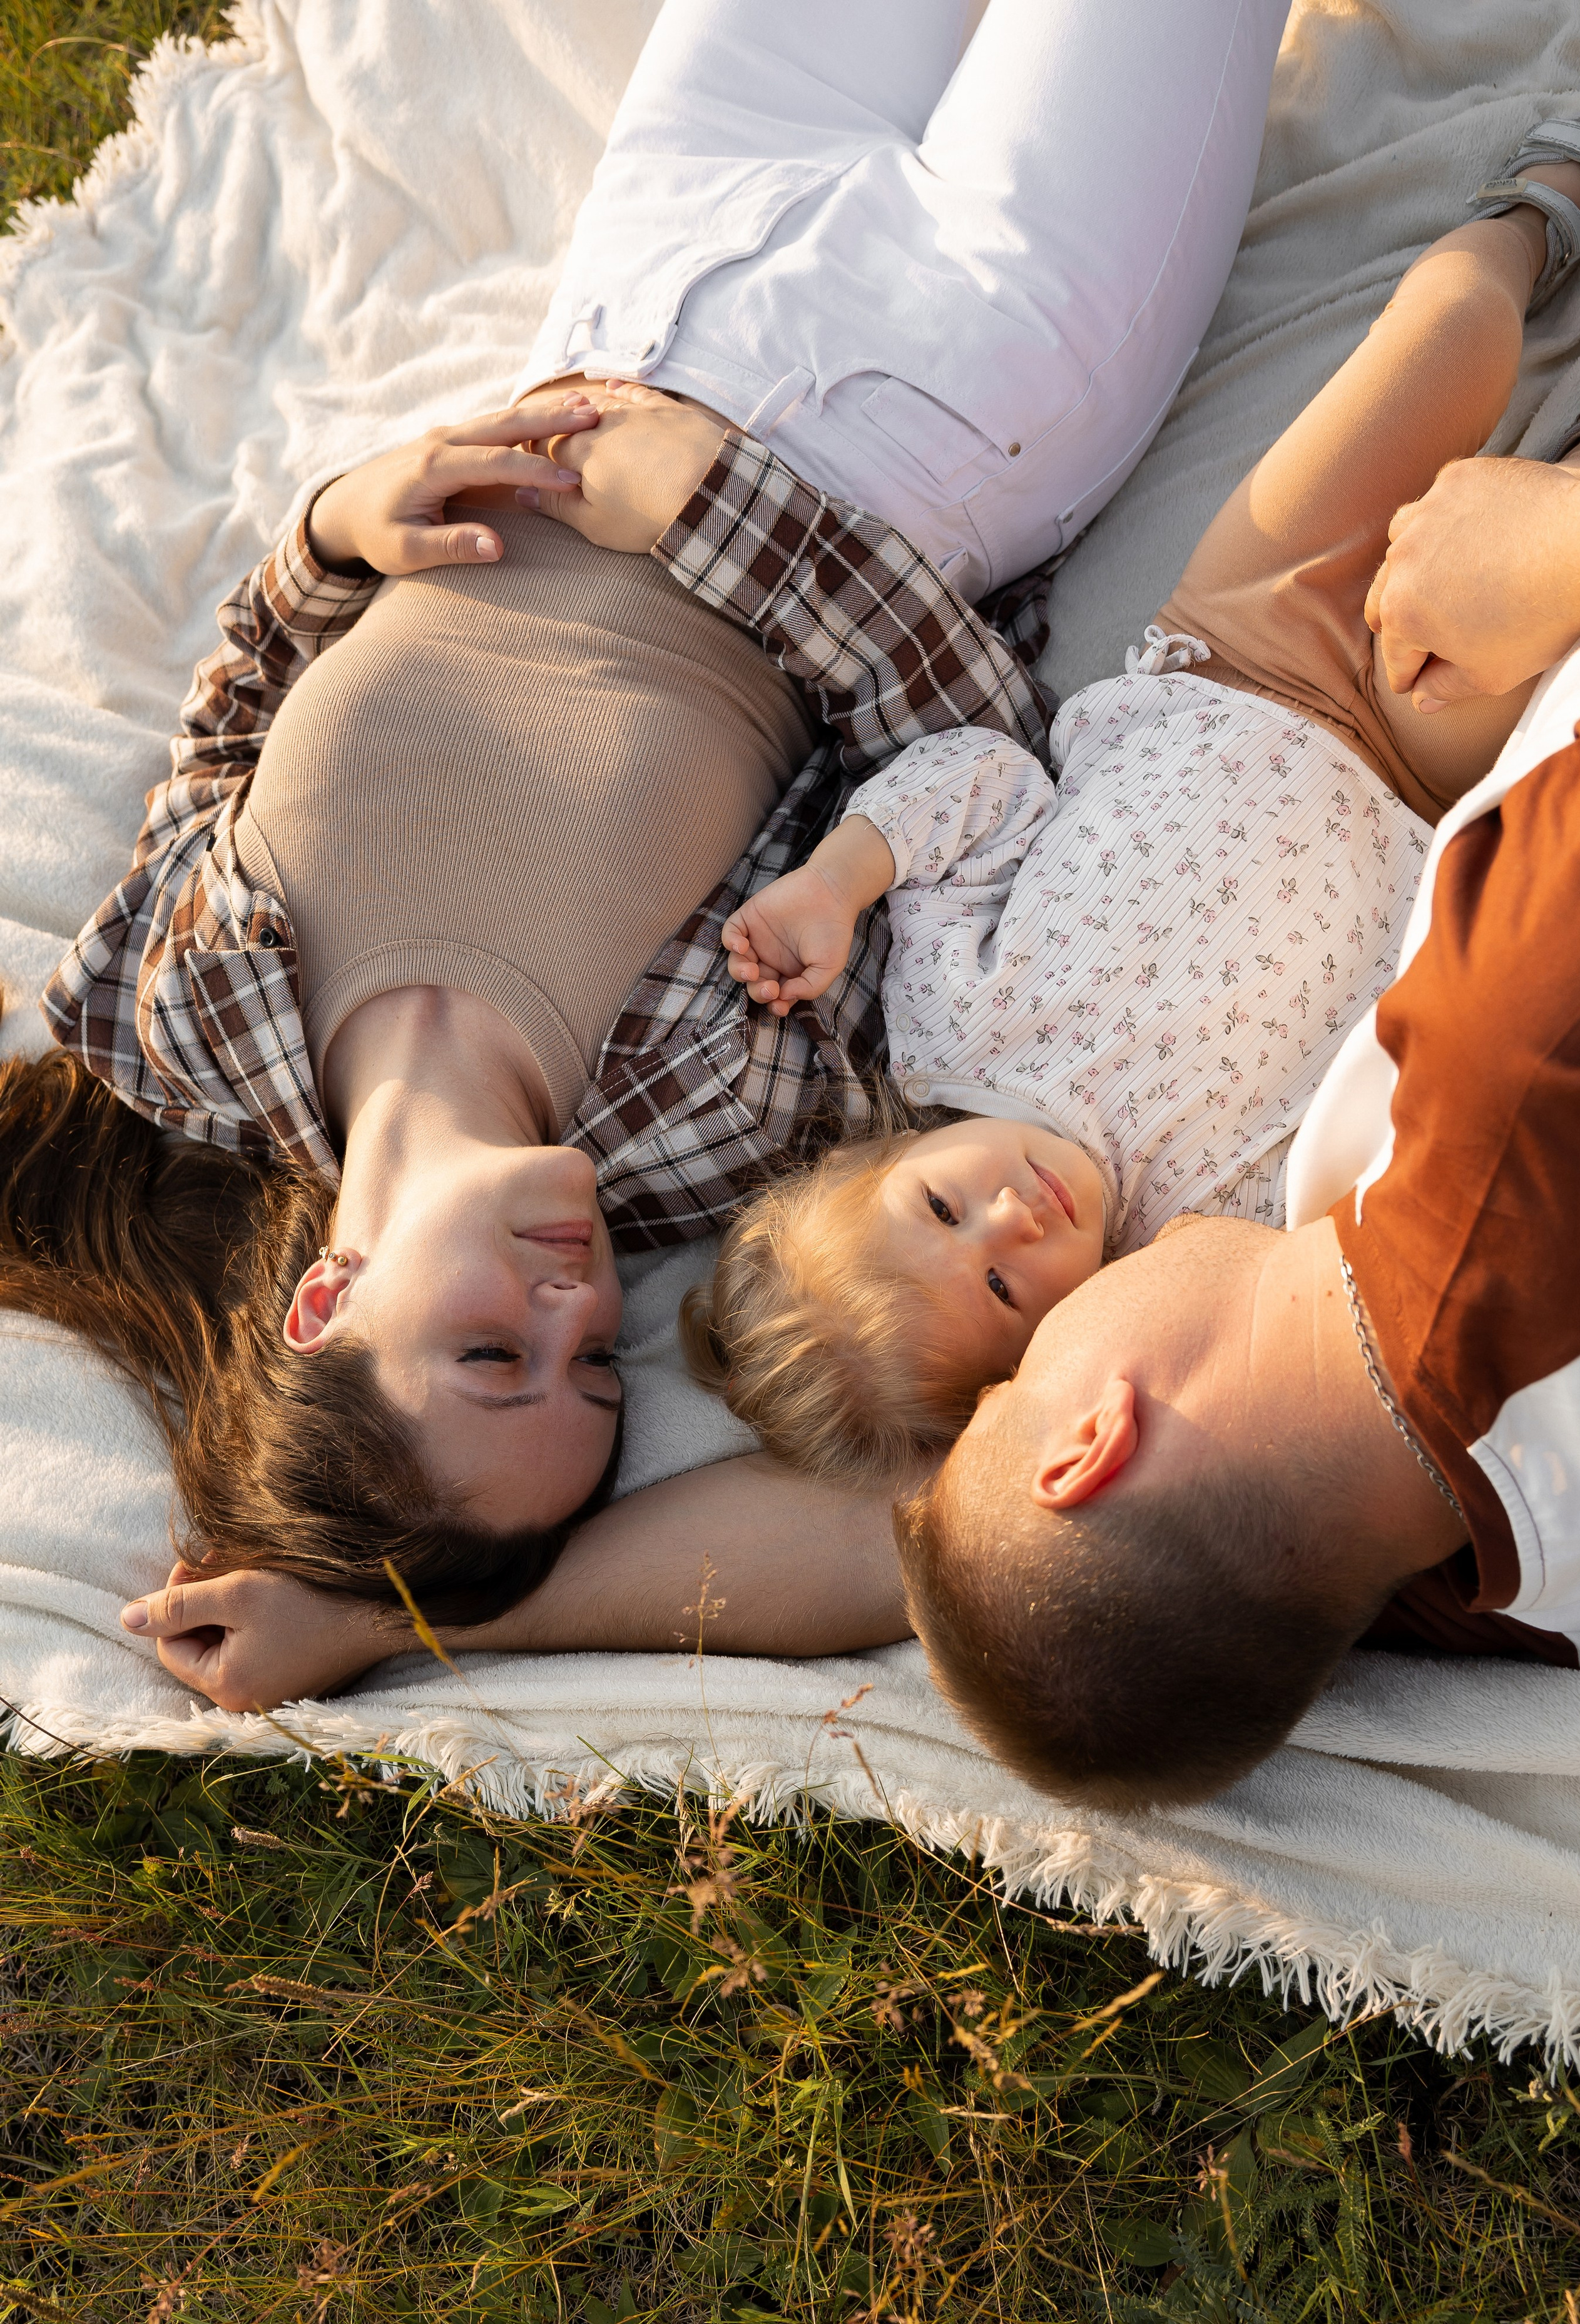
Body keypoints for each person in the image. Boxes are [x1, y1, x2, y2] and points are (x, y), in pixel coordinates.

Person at [7, 0, 1292, 1654]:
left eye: (494, 1354)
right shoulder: (703, 1113)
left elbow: (232, 716)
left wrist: (337, 529)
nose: (574, 1307)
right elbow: (969, 754)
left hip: (657, 256)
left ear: (328, 1303)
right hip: (951, 387)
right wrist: (712, 514)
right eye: (598, 1368)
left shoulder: (192, 1015)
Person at [894, 120, 1580, 1810]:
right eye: (1007, 1392)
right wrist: (1550, 558)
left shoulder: (1467, 1601)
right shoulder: (1525, 1057)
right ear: (1088, 1437)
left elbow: (1110, 1637)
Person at [683, 601, 1424, 1483]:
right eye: (1002, 1290)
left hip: (1234, 663)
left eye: (942, 1208)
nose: (1013, 1217)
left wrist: (836, 883)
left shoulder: (945, 1016)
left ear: (872, 1158)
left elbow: (989, 785)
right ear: (1041, 1348)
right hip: (1418, 788)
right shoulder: (1191, 1233)